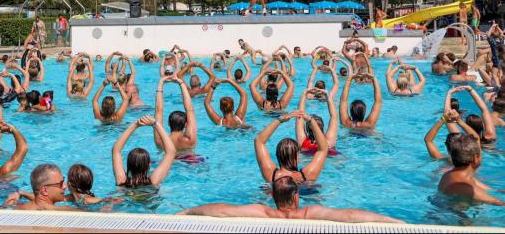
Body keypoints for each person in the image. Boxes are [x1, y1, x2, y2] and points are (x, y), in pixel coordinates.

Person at [178, 176, 402, 223]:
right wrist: (390, 221)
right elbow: (350, 216)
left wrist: (189, 211)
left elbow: (222, 210)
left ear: (273, 196)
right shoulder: (308, 213)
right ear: (296, 196)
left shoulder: (263, 212)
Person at [255, 111, 329, 184]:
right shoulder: (307, 175)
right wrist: (311, 121)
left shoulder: (271, 175)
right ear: (297, 155)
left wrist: (279, 120)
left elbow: (258, 141)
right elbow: (323, 149)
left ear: (278, 155)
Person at [6, 164, 113, 208]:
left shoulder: (86, 199)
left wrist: (107, 202)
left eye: (64, 182)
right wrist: (23, 193)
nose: (64, 186)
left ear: (70, 185)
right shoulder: (70, 198)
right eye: (61, 183)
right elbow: (42, 198)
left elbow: (102, 201)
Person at [438, 134, 504, 205]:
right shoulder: (465, 187)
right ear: (476, 158)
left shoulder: (453, 175)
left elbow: (492, 190)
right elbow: (500, 203)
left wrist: (500, 191)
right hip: (446, 215)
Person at [112, 116, 176, 188]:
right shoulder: (153, 181)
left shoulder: (121, 181)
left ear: (128, 164)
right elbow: (171, 152)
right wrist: (155, 124)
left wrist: (135, 124)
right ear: (149, 165)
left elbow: (116, 150)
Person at [153, 76, 198, 151]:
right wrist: (181, 83)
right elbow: (190, 109)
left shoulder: (160, 142)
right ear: (186, 124)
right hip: (189, 162)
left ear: (168, 123)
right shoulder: (190, 140)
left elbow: (158, 110)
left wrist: (161, 83)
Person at [297, 88, 339, 154]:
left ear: (308, 127)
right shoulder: (328, 141)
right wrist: (327, 95)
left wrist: (304, 93)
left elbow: (299, 117)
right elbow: (334, 117)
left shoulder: (302, 142)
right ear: (322, 125)